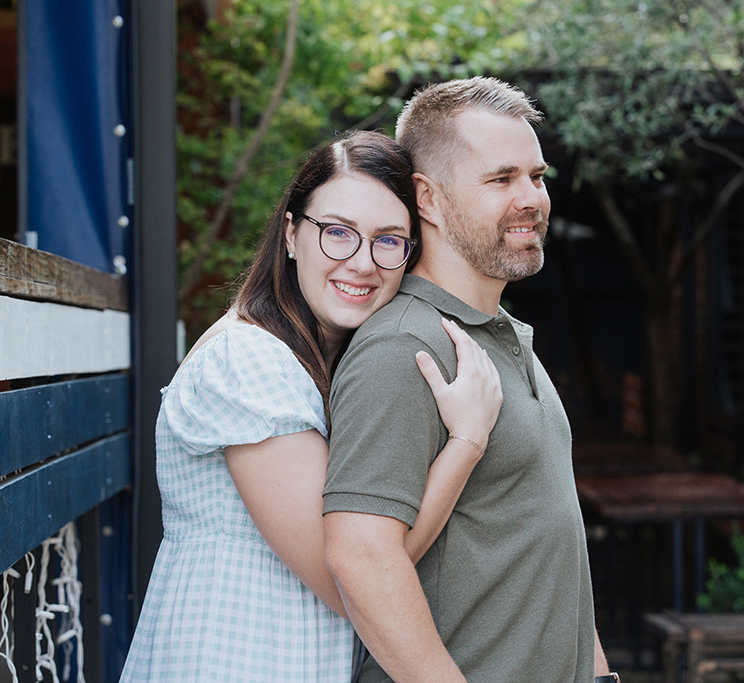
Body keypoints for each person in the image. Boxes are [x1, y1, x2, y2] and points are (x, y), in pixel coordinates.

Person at [119, 130, 503, 682]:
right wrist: (466, 442)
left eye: (389, 240)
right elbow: (350, 578)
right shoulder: (249, 360)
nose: (363, 262)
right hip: (231, 660)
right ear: (293, 234)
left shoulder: (316, 364)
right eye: (338, 233)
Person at [322, 77, 617, 683]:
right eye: (501, 179)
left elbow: (549, 544)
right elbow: (362, 558)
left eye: (537, 177)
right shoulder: (405, 345)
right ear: (426, 199)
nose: (531, 198)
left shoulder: (501, 334)